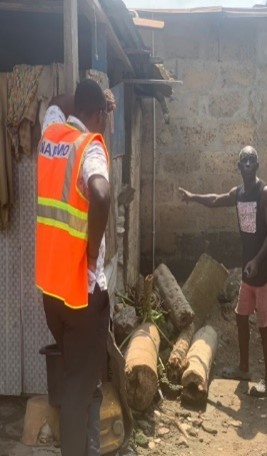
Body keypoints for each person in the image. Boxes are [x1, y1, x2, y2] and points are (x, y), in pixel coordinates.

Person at [35, 79, 115, 456]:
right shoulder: (89, 147)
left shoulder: (50, 133)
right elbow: (101, 193)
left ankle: (87, 447)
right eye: (104, 115)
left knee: (77, 380)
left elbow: (56, 100)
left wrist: (90, 95)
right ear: (99, 114)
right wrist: (93, 251)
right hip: (82, 294)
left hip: (52, 292)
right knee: (77, 394)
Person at [179, 146, 267, 397]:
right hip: (248, 271)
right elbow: (216, 200)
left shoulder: (264, 193)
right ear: (238, 166)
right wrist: (192, 196)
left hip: (264, 271)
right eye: (244, 161)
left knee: (264, 326)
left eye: (251, 161)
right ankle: (244, 368)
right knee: (241, 317)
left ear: (257, 165)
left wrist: (257, 260)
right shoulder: (239, 194)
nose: (248, 165)